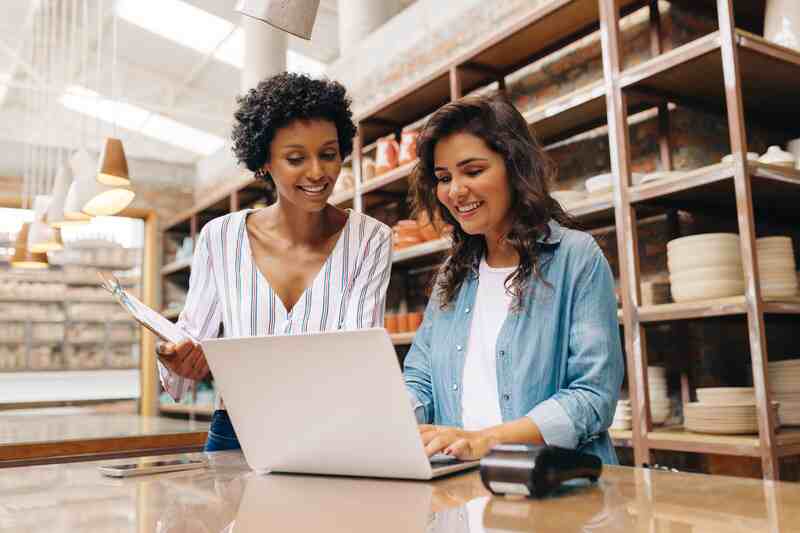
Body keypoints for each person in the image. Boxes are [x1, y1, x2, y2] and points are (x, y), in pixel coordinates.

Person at [156, 73, 392, 452]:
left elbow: (359, 356)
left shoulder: (370, 240)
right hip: (236, 431)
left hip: (330, 432)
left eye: (328, 154)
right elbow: (190, 338)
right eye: (296, 158)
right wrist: (174, 357)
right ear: (264, 161)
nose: (317, 172)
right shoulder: (220, 238)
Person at [404, 95, 623, 464]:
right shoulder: (450, 277)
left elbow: (591, 396)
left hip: (554, 491)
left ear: (515, 168)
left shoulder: (576, 258)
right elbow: (421, 380)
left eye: (472, 171)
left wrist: (484, 440)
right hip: (464, 489)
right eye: (443, 178)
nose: (455, 191)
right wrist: (384, 421)